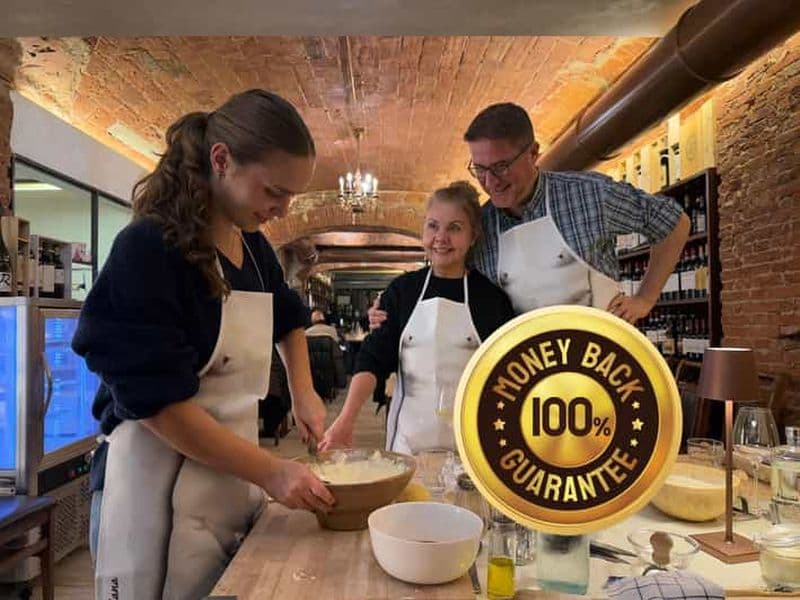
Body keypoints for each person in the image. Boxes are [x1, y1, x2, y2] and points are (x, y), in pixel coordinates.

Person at [72, 89, 335, 600]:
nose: (282, 209)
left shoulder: (254, 248)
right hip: (148, 479)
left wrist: (304, 392)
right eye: (274, 191)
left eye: (292, 197)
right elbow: (156, 404)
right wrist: (273, 473)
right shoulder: (149, 249)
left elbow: (288, 317)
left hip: (224, 475)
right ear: (222, 161)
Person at [370, 103, 690, 328]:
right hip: (525, 377)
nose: (490, 182)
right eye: (479, 169)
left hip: (603, 362)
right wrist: (391, 306)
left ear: (533, 153)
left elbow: (673, 222)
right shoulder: (483, 226)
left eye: (501, 166)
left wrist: (646, 298)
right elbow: (447, 280)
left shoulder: (590, 195)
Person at [319, 181, 516, 454]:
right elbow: (373, 357)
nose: (441, 237)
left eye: (455, 228)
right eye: (433, 226)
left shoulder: (492, 300)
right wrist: (346, 418)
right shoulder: (402, 291)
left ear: (473, 236)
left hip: (474, 447)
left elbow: (509, 377)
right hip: (408, 442)